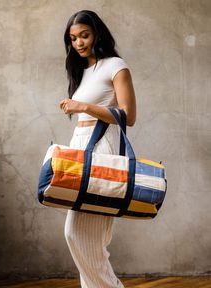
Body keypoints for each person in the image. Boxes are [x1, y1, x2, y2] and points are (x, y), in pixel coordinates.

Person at [59, 10, 136, 288]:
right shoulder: (82, 71)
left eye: (84, 35)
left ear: (97, 34)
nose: (79, 43)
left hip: (102, 148)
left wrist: (82, 106)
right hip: (81, 147)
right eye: (73, 38)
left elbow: (128, 115)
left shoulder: (115, 65)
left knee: (79, 235)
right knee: (91, 240)